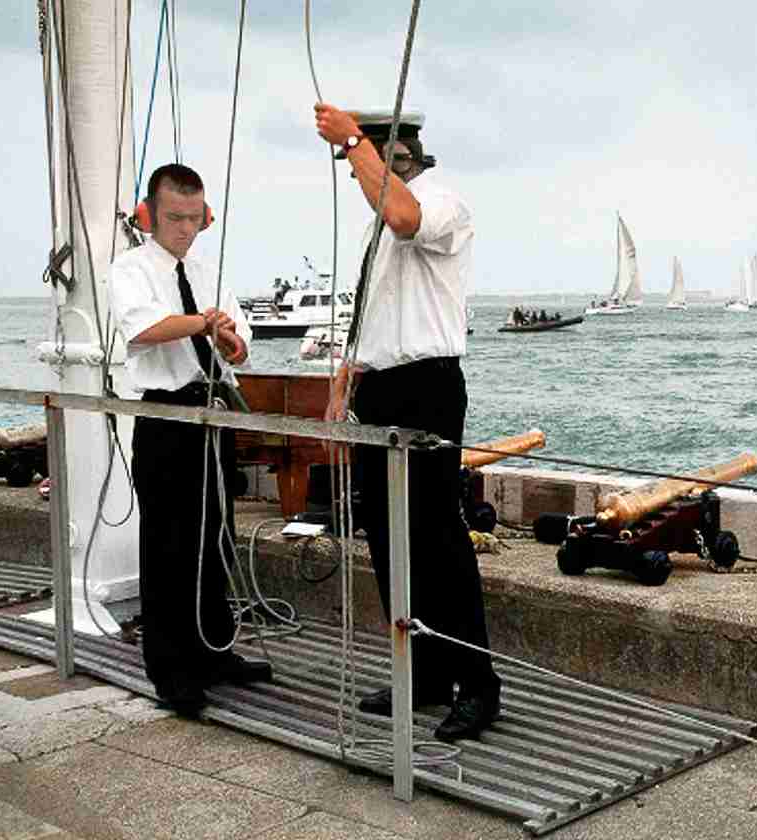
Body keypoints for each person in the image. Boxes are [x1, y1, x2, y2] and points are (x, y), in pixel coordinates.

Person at [314, 103, 501, 742]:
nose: (357, 176)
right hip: (381, 386)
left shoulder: (441, 200)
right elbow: (374, 315)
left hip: (427, 385)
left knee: (438, 539)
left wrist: (349, 140)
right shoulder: (374, 226)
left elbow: (404, 217)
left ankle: (478, 685)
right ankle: (420, 673)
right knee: (388, 535)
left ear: (397, 157)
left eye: (363, 162)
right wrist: (346, 379)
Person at [108, 163, 270, 715]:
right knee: (169, 544)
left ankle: (214, 649)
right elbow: (143, 329)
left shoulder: (208, 270)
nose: (185, 229)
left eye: (194, 218)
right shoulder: (130, 269)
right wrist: (202, 322)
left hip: (212, 408)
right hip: (166, 415)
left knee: (215, 536)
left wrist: (228, 339)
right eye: (175, 218)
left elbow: (237, 344)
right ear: (151, 214)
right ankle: (170, 668)